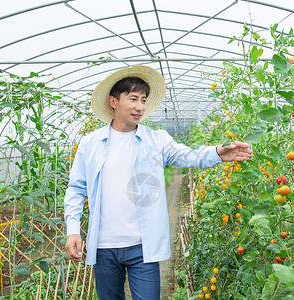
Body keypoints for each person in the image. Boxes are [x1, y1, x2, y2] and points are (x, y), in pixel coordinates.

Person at [64, 65, 253, 299]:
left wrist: (217, 153)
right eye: (133, 99)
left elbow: (188, 154)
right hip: (103, 247)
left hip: (142, 247)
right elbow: (76, 188)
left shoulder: (156, 140)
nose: (140, 106)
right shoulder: (90, 144)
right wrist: (73, 230)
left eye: (143, 100)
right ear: (113, 102)